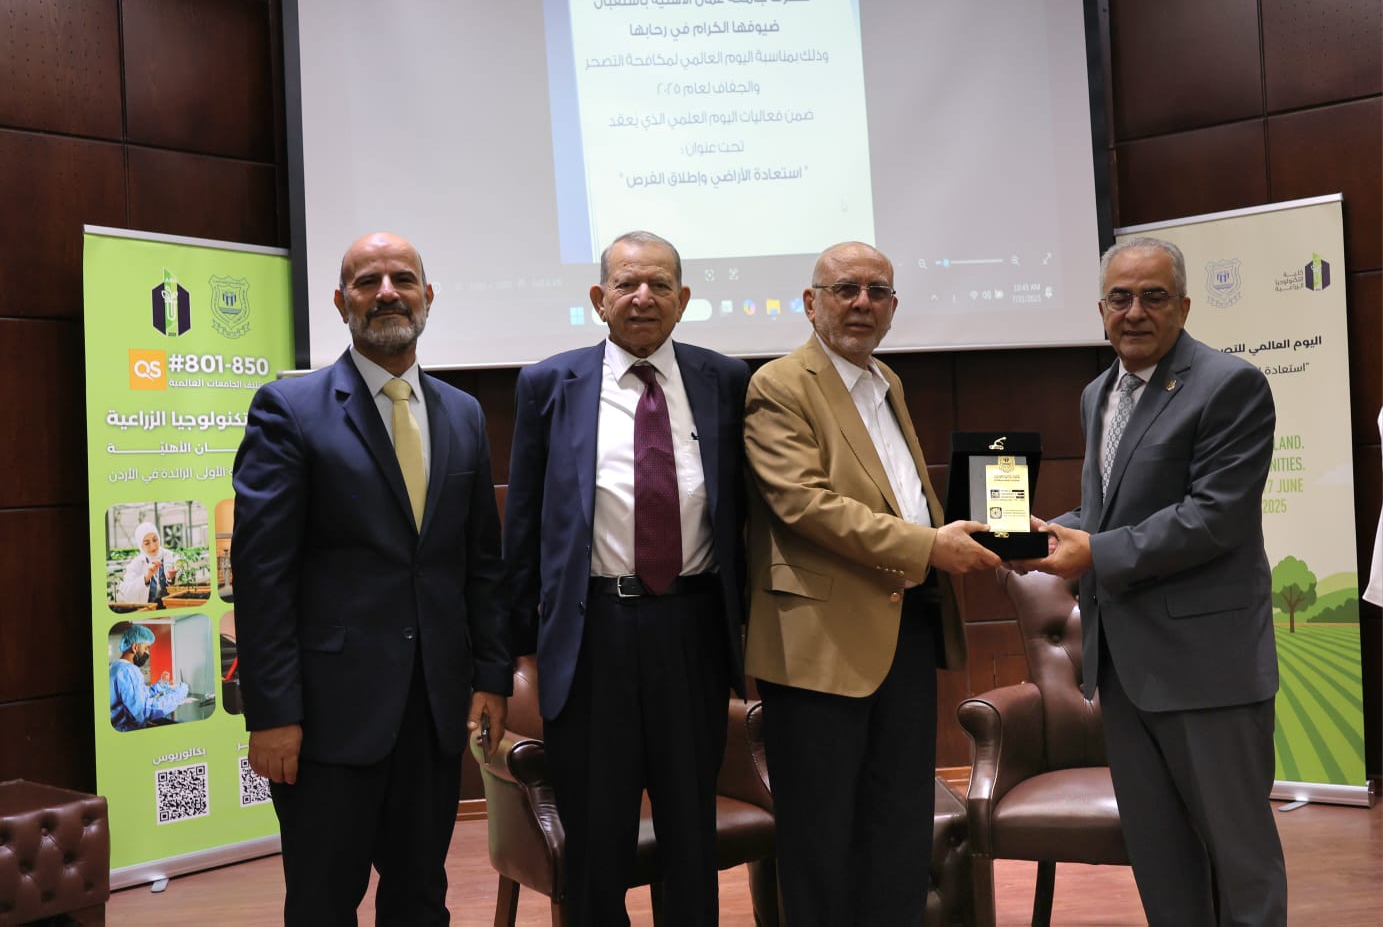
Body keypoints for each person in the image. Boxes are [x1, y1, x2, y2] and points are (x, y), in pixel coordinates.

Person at [232, 231, 509, 926]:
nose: (387, 293)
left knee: (421, 898)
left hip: (432, 711)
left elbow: (480, 561)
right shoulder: (288, 409)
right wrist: (272, 713)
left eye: (402, 279)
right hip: (326, 720)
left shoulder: (463, 413)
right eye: (367, 281)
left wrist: (490, 675)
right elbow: (262, 575)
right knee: (323, 904)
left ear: (427, 295)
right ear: (340, 302)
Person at [1014, 235, 1287, 925]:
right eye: (1119, 297)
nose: (1134, 312)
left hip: (1207, 670)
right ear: (1100, 310)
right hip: (1124, 671)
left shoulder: (1229, 384)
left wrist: (1093, 552)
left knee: (1240, 862)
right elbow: (1105, 513)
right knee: (1161, 860)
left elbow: (1214, 517)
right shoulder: (1097, 393)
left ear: (1184, 306)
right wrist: (1035, 536)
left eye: (1153, 296)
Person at [742, 241, 1000, 926]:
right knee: (820, 834)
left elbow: (901, 496)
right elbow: (805, 505)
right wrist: (930, 546)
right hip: (819, 644)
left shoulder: (886, 380)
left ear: (893, 306)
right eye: (845, 289)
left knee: (898, 823)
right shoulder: (779, 385)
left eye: (877, 291)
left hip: (904, 624)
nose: (862, 303)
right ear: (810, 302)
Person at [504, 230, 748, 927]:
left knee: (690, 832)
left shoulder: (726, 380)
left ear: (684, 299)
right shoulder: (549, 384)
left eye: (659, 285)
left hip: (693, 630)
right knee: (596, 839)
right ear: (598, 298)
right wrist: (512, 655)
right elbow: (521, 531)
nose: (643, 297)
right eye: (626, 284)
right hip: (591, 635)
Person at [109, 623, 189, 731]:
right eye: (146, 648)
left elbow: (136, 695)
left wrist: (160, 685)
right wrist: (178, 694)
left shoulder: (115, 667)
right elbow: (144, 711)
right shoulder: (128, 671)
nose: (148, 653)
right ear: (135, 647)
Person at [117, 521, 179, 604]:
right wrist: (145, 578)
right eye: (147, 543)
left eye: (155, 540)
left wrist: (171, 578)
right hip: (148, 609)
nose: (153, 546)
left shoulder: (172, 556)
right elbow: (125, 593)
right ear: (140, 545)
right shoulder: (136, 564)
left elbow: (185, 585)